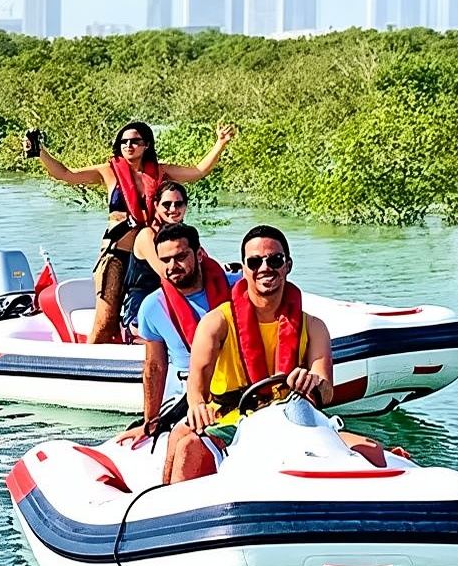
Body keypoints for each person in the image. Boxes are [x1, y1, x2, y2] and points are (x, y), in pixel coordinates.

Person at [161, 225, 393, 483]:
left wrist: (313, 382)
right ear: (244, 268)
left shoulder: (314, 327)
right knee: (187, 445)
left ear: (288, 265)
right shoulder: (216, 324)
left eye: (274, 260)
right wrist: (197, 407)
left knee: (373, 450)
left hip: (293, 420)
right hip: (232, 422)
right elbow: (196, 390)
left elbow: (326, 392)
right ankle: (168, 501)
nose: (265, 268)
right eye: (255, 262)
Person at [25, 122, 235, 343]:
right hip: (117, 254)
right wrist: (40, 152)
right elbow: (65, 174)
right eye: (123, 142)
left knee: (163, 309)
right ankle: (89, 357)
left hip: (151, 255)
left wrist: (220, 143)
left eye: (135, 141)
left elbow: (198, 171)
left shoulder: (161, 172)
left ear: (146, 145)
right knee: (106, 322)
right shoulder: (108, 171)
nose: (128, 145)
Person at [116, 223, 239, 441]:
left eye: (180, 257)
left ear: (199, 255)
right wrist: (150, 422)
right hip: (187, 394)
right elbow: (155, 366)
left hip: (238, 385)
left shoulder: (238, 288)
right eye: (165, 260)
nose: (173, 266)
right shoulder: (152, 306)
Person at [121, 180, 193, 334]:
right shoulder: (146, 236)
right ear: (156, 206)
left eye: (178, 204)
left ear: (185, 206)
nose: (173, 209)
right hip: (140, 309)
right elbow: (167, 273)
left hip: (172, 304)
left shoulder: (185, 237)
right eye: (166, 204)